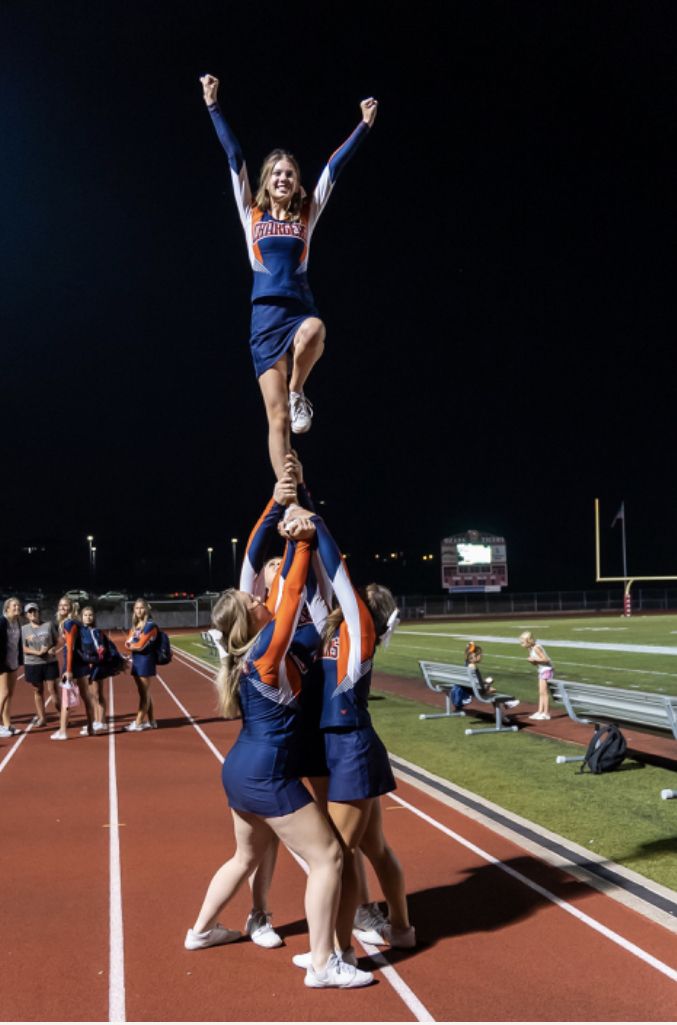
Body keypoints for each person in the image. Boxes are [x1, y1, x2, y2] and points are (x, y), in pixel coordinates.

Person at [185, 514, 373, 990]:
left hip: (240, 771)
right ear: (253, 617)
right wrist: (301, 539)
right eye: (254, 599)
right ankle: (323, 964)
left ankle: (201, 931)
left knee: (243, 858)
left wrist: (286, 520)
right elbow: (288, 596)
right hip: (266, 775)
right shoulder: (268, 648)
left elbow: (291, 601)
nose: (259, 596)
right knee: (330, 856)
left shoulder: (249, 650)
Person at [199, 73, 378, 478]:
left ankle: (299, 390)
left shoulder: (307, 213)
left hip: (298, 311)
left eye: (290, 174)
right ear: (267, 180)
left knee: (316, 330)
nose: (284, 178)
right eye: (277, 173)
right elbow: (234, 156)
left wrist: (363, 125)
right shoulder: (251, 212)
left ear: (297, 183)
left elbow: (334, 167)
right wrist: (213, 105)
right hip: (264, 319)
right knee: (277, 419)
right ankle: (287, 496)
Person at [283, 504, 415, 965]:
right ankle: (401, 929)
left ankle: (338, 953)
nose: (348, 596)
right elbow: (321, 582)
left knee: (337, 855)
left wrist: (315, 523)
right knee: (372, 847)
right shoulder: (334, 630)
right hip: (341, 746)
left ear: (367, 611)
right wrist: (297, 532)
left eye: (358, 595)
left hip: (352, 747)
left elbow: (335, 569)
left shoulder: (360, 634)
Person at [52, 596, 95, 741]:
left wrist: (68, 670)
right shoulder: (76, 622)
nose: (62, 608)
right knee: (86, 696)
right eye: (60, 605)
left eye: (65, 605)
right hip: (82, 664)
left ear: (71, 607)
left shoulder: (69, 624)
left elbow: (70, 647)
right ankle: (91, 728)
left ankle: (63, 731)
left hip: (72, 665)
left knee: (66, 699)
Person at [77, 606, 122, 733]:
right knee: (91, 695)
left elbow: (103, 648)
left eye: (90, 615)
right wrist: (86, 660)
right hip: (87, 665)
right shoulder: (80, 632)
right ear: (81, 617)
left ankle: (101, 722)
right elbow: (80, 650)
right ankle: (97, 721)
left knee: (97, 694)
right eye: (85, 615)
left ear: (94, 617)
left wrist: (97, 657)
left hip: (97, 666)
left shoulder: (98, 632)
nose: (88, 617)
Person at [21, 601, 60, 726]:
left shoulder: (48, 625)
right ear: (26, 615)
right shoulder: (23, 629)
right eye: (30, 611)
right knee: (37, 690)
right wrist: (37, 652)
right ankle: (42, 718)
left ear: (39, 612)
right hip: (32, 663)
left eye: (35, 611)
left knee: (52, 689)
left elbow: (57, 641)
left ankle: (62, 716)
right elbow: (23, 648)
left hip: (49, 662)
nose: (33, 613)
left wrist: (52, 649)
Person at [124, 598, 158, 731]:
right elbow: (128, 643)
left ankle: (138, 723)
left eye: (141, 608)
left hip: (145, 661)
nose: (139, 611)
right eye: (136, 608)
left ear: (146, 609)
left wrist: (132, 645)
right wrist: (132, 645)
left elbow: (139, 645)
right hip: (137, 661)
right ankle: (152, 721)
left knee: (144, 693)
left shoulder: (150, 625)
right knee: (145, 692)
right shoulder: (136, 625)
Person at [464, 642, 519, 721]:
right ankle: (506, 704)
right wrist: (487, 683)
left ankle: (501, 712)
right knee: (492, 690)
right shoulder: (473, 667)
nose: (481, 656)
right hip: (478, 691)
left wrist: (485, 682)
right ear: (474, 656)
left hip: (471, 689)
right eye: (480, 655)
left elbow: (475, 681)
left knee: (491, 689)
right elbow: (478, 683)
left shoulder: (467, 665)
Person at [0, 597, 24, 738]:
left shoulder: (17, 622)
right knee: (3, 694)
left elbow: (17, 644)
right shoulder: (2, 622)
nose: (17, 608)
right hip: (2, 664)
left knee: (10, 695)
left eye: (19, 605)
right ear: (7, 608)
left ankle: (7, 724)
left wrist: (19, 660)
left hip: (13, 662)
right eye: (14, 605)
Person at [519, 631, 553, 720]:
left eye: (523, 642)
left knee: (544, 692)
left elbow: (546, 660)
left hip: (546, 670)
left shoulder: (536, 648)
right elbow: (536, 663)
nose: (521, 645)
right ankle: (540, 711)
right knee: (540, 692)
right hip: (541, 670)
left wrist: (534, 660)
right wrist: (533, 662)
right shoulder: (530, 649)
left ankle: (546, 713)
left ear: (528, 641)